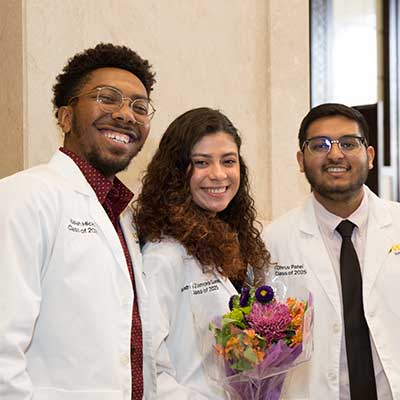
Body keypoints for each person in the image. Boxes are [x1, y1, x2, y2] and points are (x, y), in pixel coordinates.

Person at [0, 43, 157, 399]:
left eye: (139, 106)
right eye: (107, 98)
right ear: (66, 117)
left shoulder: (122, 216)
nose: (125, 115)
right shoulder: (23, 197)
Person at [263, 103, 400, 399]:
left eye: (349, 143)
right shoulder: (273, 241)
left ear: (370, 156)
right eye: (320, 145)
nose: (335, 154)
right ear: (301, 160)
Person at [133, 107, 270, 398]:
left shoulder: (234, 242)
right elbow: (148, 367)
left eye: (228, 161)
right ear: (176, 171)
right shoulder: (164, 255)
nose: (218, 174)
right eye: (201, 162)